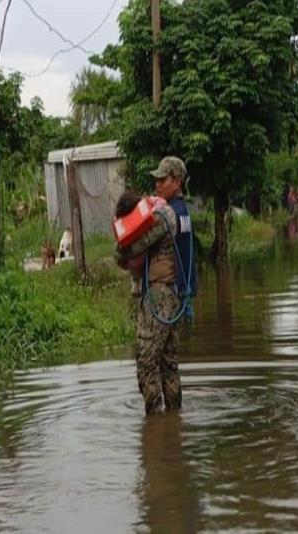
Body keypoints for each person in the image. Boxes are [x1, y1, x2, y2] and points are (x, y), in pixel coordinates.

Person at [115, 156, 197, 414]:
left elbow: (131, 250)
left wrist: (120, 243)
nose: (158, 184)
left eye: (163, 179)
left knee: (147, 359)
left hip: (160, 296)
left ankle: (156, 425)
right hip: (176, 296)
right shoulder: (184, 213)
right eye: (157, 179)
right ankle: (175, 424)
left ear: (177, 180)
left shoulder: (165, 214)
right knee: (169, 364)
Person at [114, 191, 167, 295]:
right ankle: (136, 283)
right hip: (142, 265)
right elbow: (162, 203)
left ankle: (135, 283)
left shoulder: (124, 225)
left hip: (138, 266)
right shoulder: (147, 208)